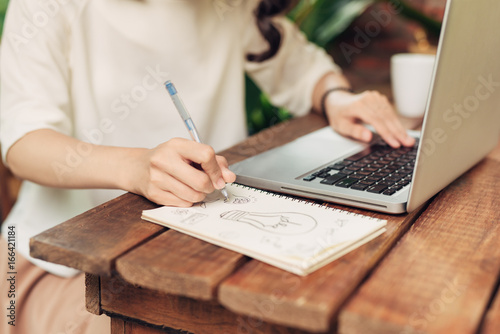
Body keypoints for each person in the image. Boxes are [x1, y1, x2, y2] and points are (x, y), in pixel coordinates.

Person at [0, 0, 415, 333]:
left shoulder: (230, 7)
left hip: (199, 251)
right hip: (59, 263)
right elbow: (24, 143)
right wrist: (135, 167)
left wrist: (336, 99)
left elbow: (298, 66)